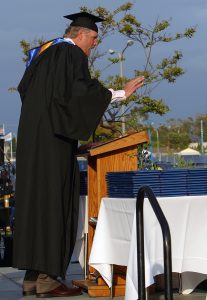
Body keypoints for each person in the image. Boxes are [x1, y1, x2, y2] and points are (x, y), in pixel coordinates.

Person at [12, 11, 144, 298]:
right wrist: (119, 93)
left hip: (34, 141)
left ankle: (32, 278)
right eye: (94, 38)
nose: (95, 44)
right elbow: (79, 92)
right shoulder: (69, 54)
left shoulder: (42, 54)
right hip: (53, 144)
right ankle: (48, 281)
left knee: (37, 203)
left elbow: (40, 96)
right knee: (54, 203)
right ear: (80, 34)